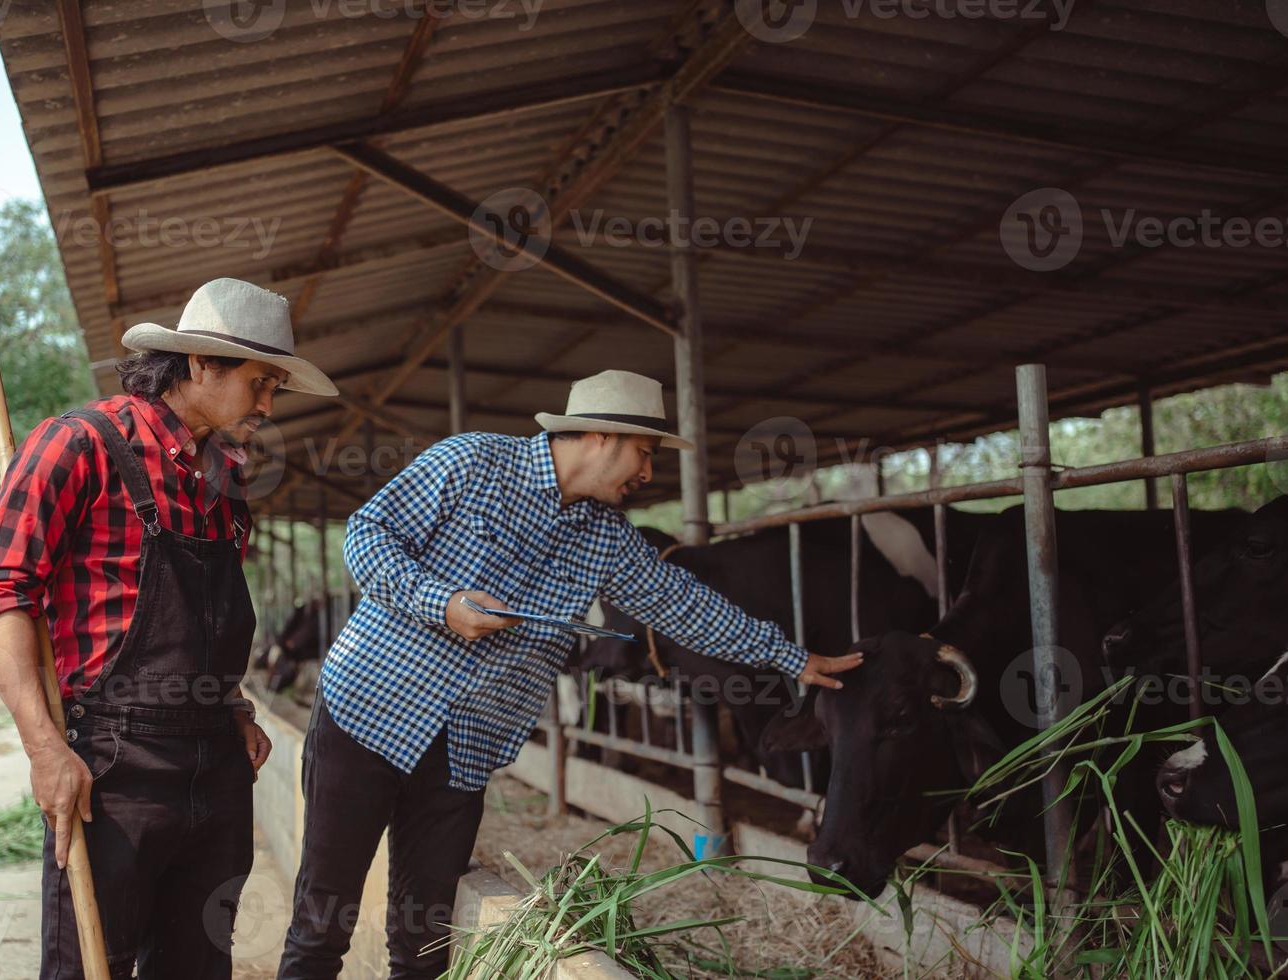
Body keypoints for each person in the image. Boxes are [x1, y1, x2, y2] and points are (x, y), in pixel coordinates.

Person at [276, 368, 863, 979]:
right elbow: (367, 535)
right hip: (369, 714)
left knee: (425, 941)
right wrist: (443, 603)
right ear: (603, 436)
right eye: (644, 452)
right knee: (323, 921)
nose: (647, 472)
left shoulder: (607, 537)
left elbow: (686, 606)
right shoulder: (473, 461)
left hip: (465, 747)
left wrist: (793, 657)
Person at [0, 278, 339, 979]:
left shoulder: (227, 477)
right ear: (202, 364)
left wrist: (228, 704)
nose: (267, 405)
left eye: (274, 388)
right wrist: (46, 750)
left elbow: (207, 613)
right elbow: (2, 595)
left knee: (199, 964)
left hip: (217, 772)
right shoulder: (80, 444)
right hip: (114, 763)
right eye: (261, 383)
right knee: (90, 963)